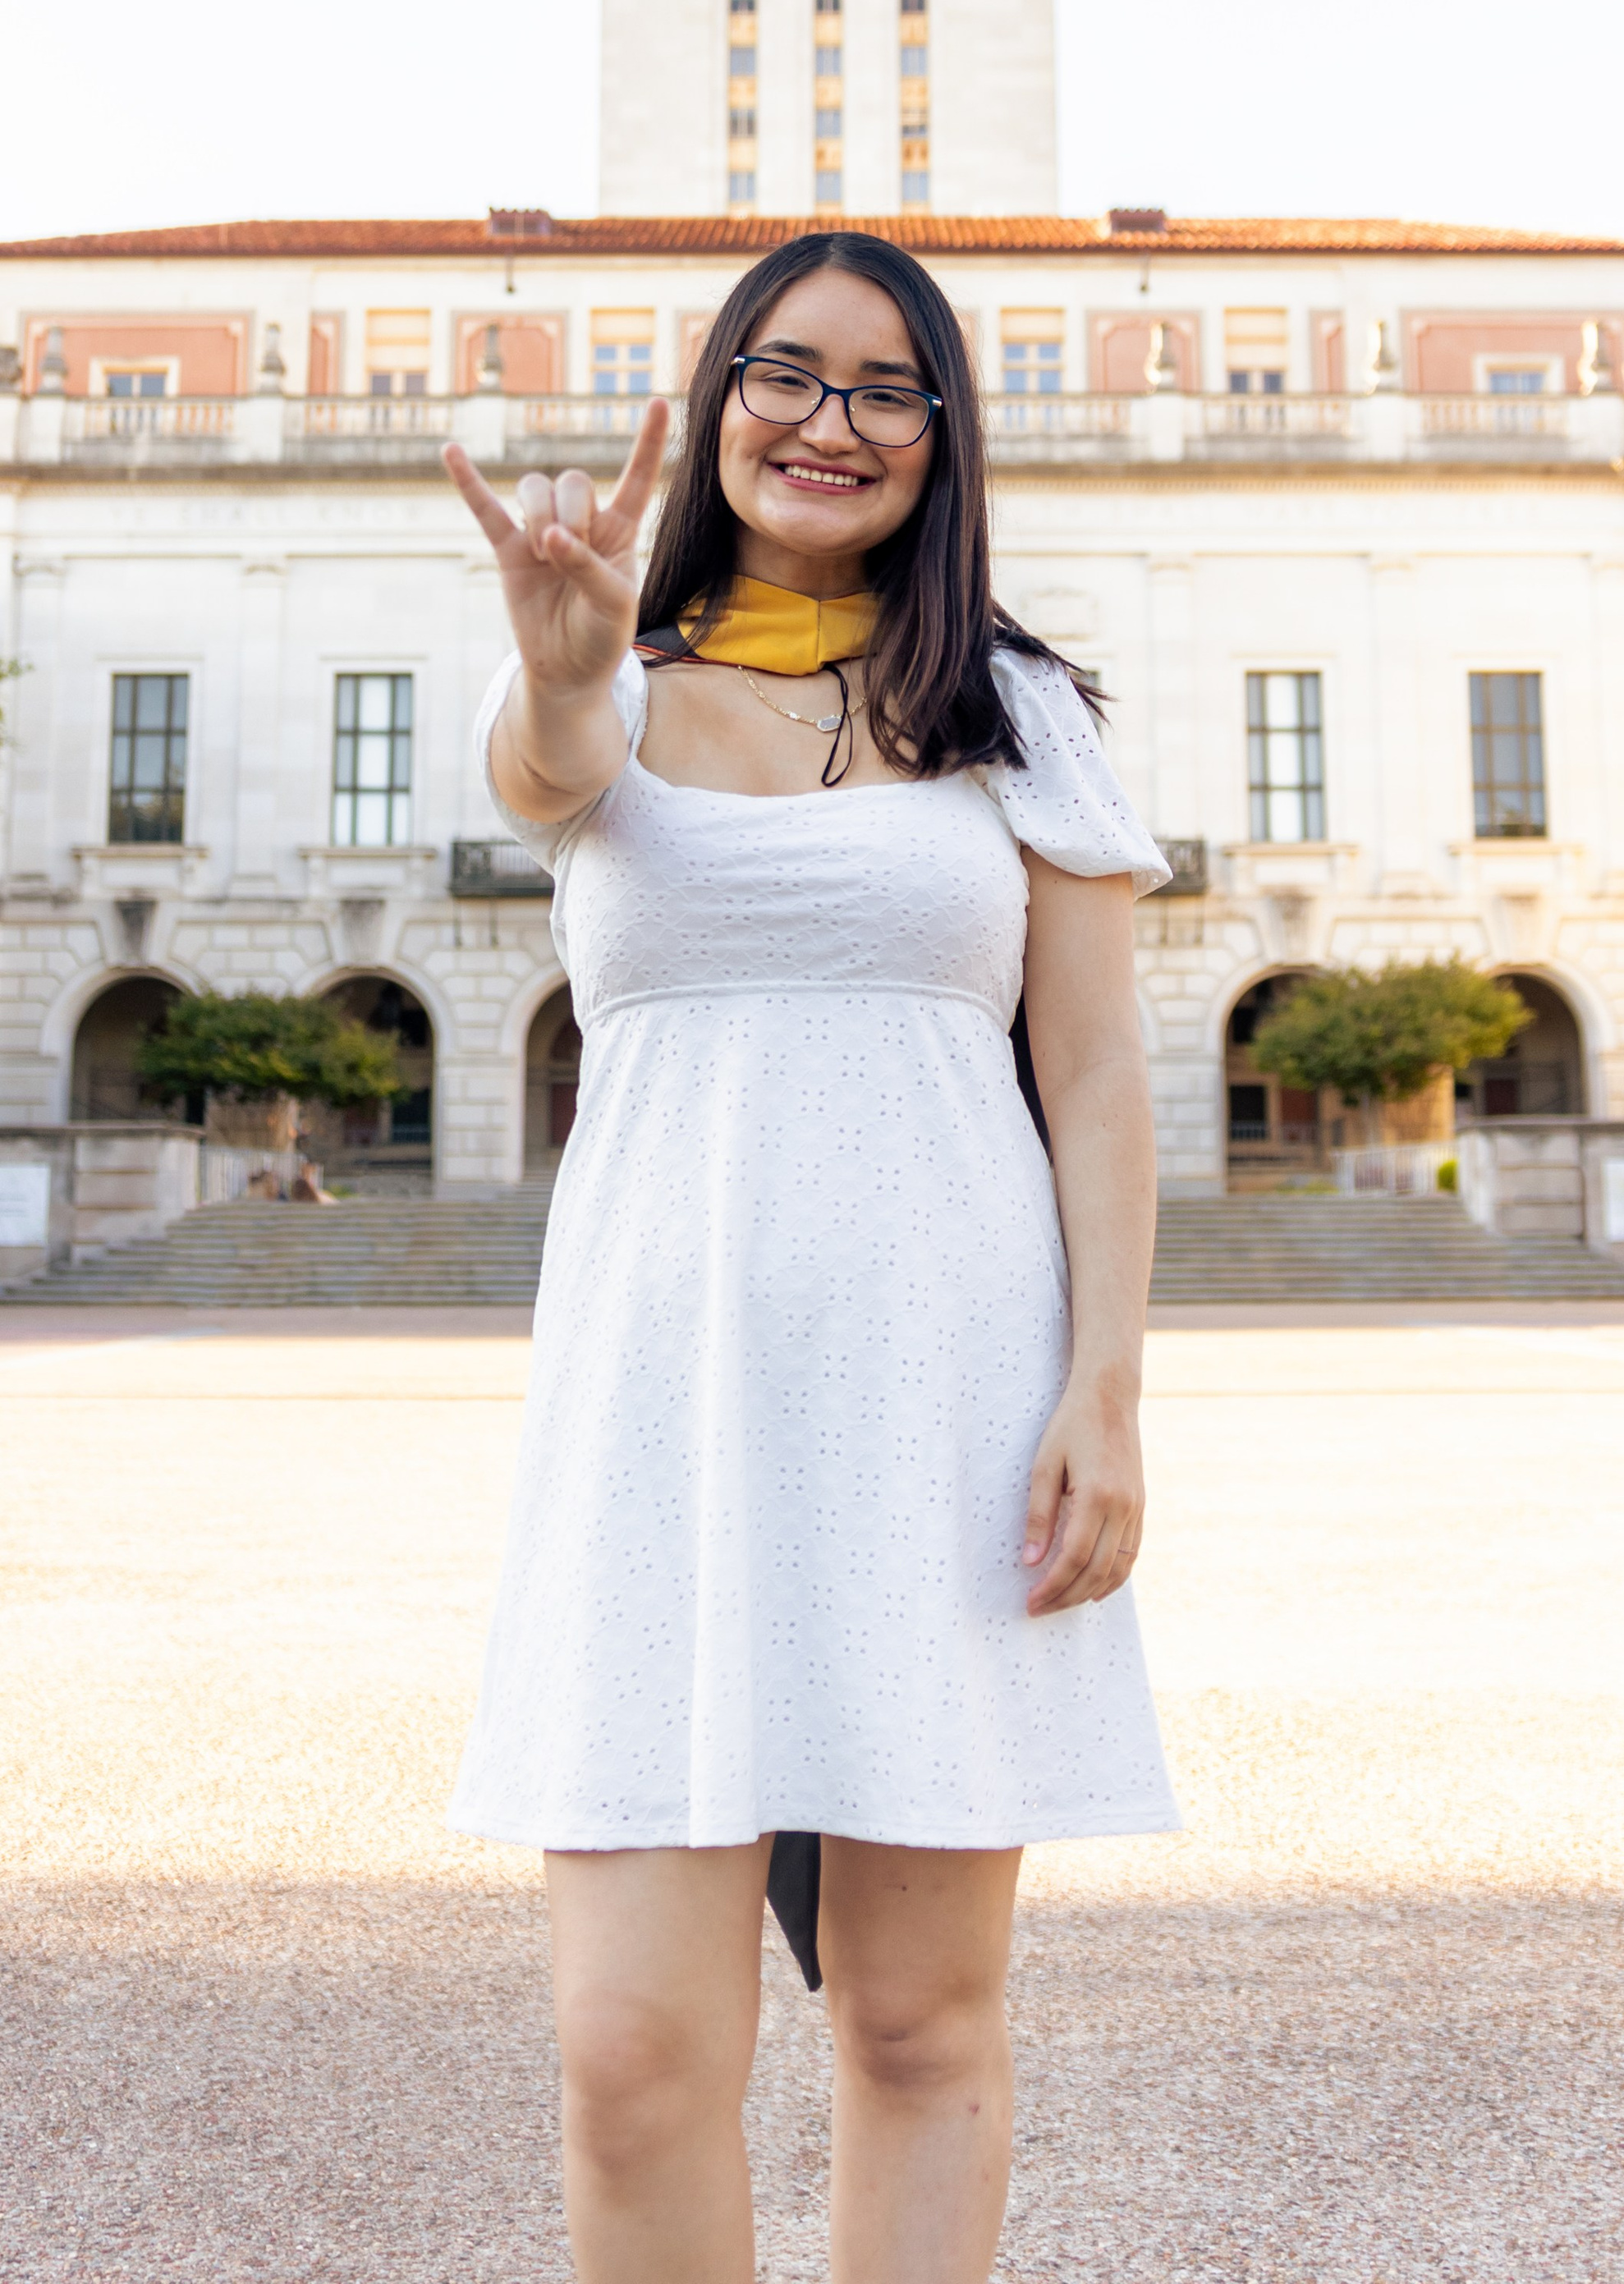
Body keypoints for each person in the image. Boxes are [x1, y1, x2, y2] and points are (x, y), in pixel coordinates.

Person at [443, 231, 1178, 2284]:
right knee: (627, 2055)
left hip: (949, 1409)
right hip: (655, 1420)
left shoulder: (1014, 706)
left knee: (917, 2022)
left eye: (882, 386)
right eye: (784, 372)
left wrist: (1102, 1392)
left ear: (941, 440)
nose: (826, 422)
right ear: (713, 403)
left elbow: (1100, 1068)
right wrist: (573, 649)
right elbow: (546, 772)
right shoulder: (605, 674)